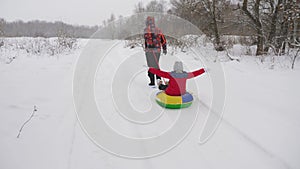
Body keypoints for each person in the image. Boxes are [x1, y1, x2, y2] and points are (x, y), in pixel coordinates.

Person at [144, 16, 167, 86]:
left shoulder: (146, 30)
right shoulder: (158, 30)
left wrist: (147, 47)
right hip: (156, 50)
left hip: (150, 51)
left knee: (151, 66)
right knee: (156, 65)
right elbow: (163, 39)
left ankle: (152, 81)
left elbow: (146, 40)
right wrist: (164, 48)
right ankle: (158, 80)